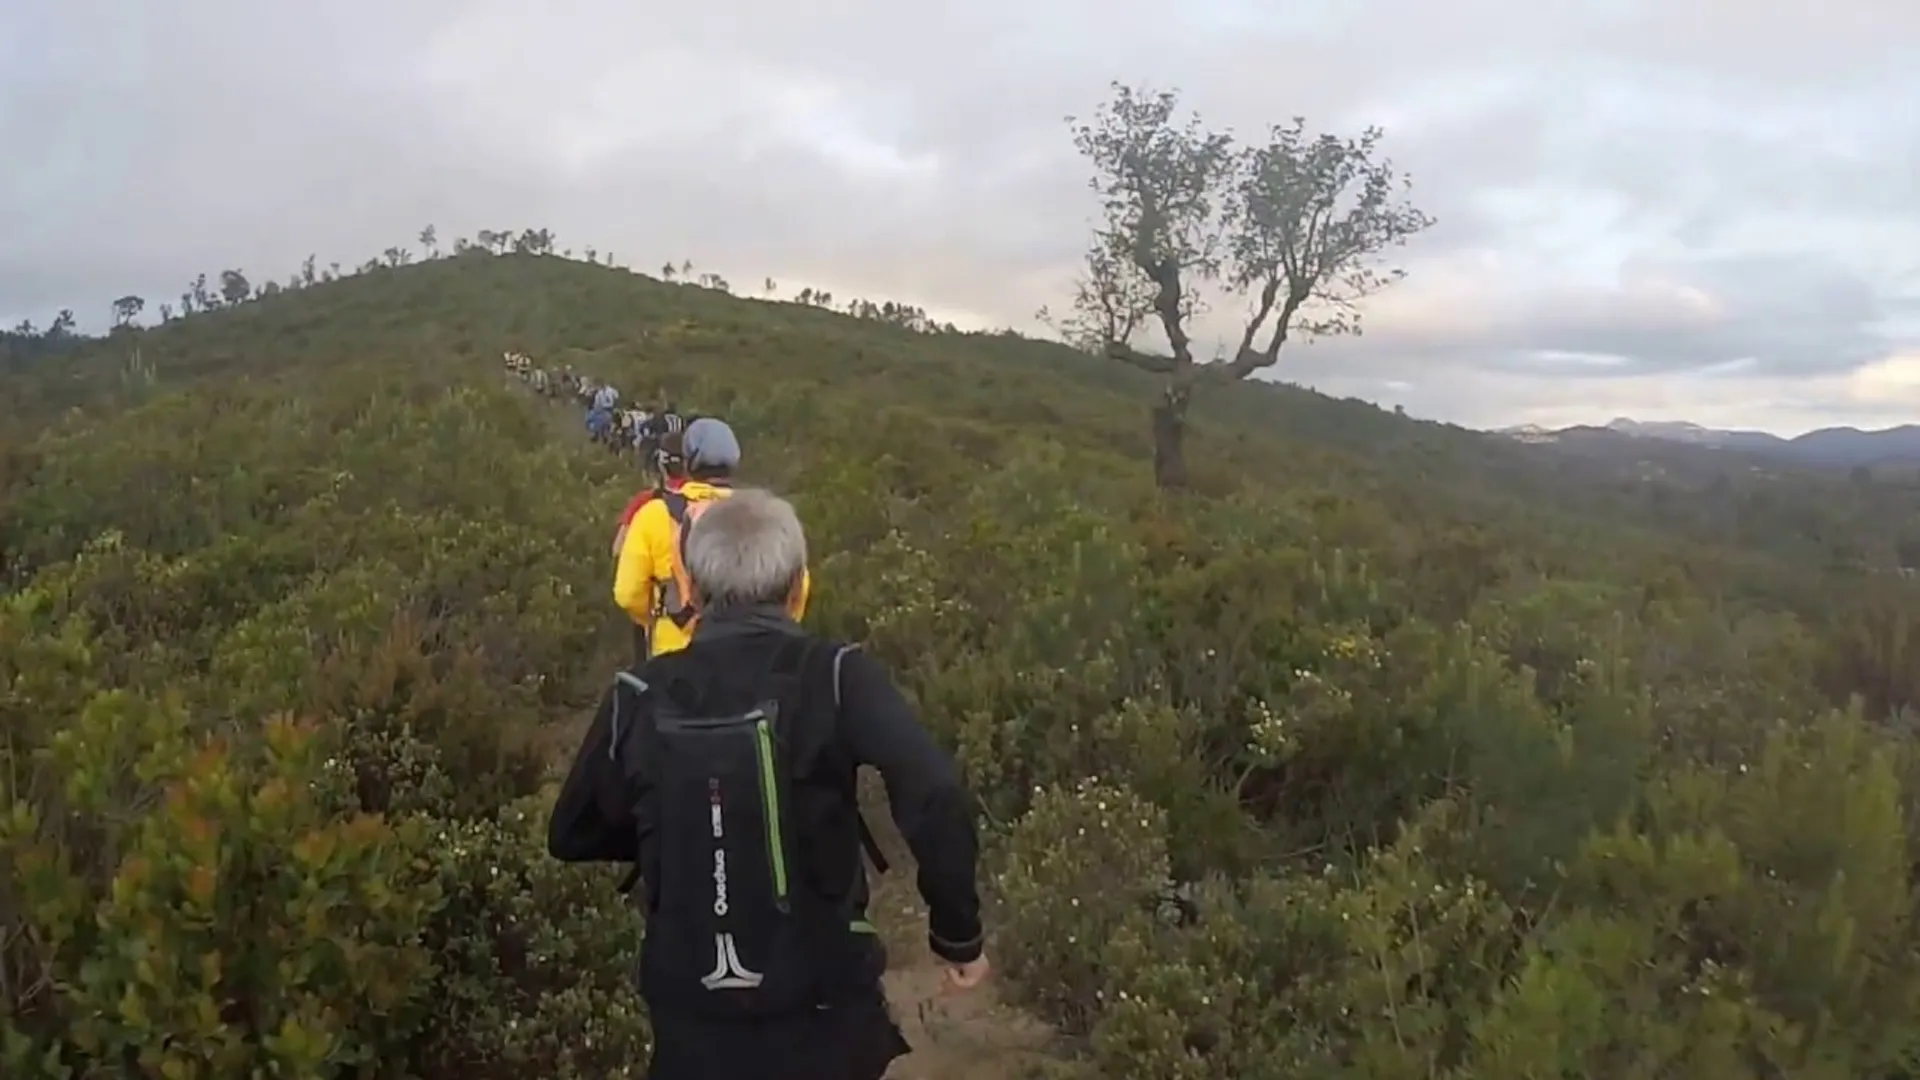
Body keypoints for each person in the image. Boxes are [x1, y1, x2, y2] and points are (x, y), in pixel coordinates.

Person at [549, 489, 988, 1080]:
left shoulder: (638, 693)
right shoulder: (836, 675)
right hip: (825, 1010)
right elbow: (934, 793)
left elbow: (572, 833)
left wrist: (685, 820)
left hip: (690, 1017)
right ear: (799, 588)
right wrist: (957, 936)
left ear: (693, 592)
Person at [613, 418, 810, 660]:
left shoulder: (653, 514)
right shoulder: (764, 515)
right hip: (755, 658)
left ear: (687, 463)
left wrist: (657, 619)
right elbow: (799, 589)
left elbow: (627, 593)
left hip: (675, 656)